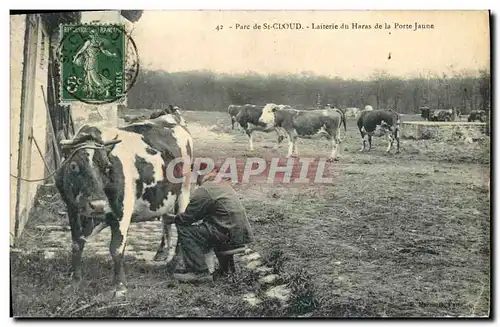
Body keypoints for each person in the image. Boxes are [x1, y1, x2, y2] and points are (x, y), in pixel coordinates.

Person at [164, 167, 254, 283]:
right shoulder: (223, 186)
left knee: (185, 229)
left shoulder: (204, 190)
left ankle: (198, 272)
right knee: (213, 227)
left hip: (226, 233)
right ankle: (226, 270)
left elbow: (187, 219)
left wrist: (172, 219)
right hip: (240, 233)